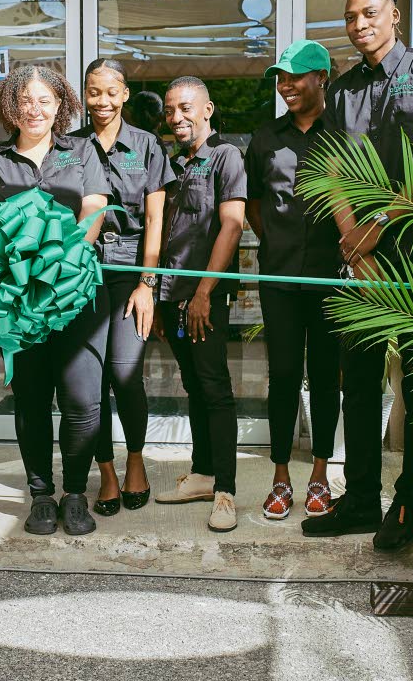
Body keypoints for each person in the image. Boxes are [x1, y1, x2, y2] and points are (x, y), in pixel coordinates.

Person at [301, 0, 413, 550]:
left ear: (395, 15)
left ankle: (410, 499)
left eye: (369, 13)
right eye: (350, 18)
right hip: (362, 258)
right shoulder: (343, 92)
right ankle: (362, 498)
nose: (359, 24)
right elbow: (333, 172)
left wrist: (377, 228)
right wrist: (352, 236)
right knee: (361, 380)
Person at [0, 64, 110, 537]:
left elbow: (95, 205)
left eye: (45, 100)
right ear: (12, 105)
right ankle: (40, 496)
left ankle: (75, 493)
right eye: (25, 100)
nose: (35, 109)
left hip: (77, 292)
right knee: (31, 400)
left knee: (81, 400)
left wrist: (69, 252)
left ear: (60, 106)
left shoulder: (83, 151)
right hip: (20, 300)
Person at [71, 59, 174, 517]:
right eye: (94, 92)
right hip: (82, 274)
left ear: (125, 94)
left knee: (126, 375)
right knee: (90, 383)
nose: (102, 102)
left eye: (110, 92)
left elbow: (155, 220)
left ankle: (135, 460)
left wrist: (147, 283)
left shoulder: (148, 145)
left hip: (130, 271)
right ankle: (106, 469)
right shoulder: (69, 146)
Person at [245, 40, 342, 522]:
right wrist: (277, 245)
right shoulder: (265, 138)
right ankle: (281, 476)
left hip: (330, 281)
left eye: (295, 76)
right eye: (280, 78)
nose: (285, 85)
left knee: (326, 379)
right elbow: (254, 204)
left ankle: (321, 474)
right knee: (283, 377)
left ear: (321, 77)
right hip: (279, 278)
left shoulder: (345, 135)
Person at [152, 77, 248, 533]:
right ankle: (203, 474)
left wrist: (204, 293)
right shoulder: (173, 163)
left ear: (207, 109)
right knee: (194, 385)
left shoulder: (226, 157)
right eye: (170, 111)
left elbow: (231, 227)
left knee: (215, 388)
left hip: (202, 299)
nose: (177, 118)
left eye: (186, 108)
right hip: (172, 297)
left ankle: (225, 490)